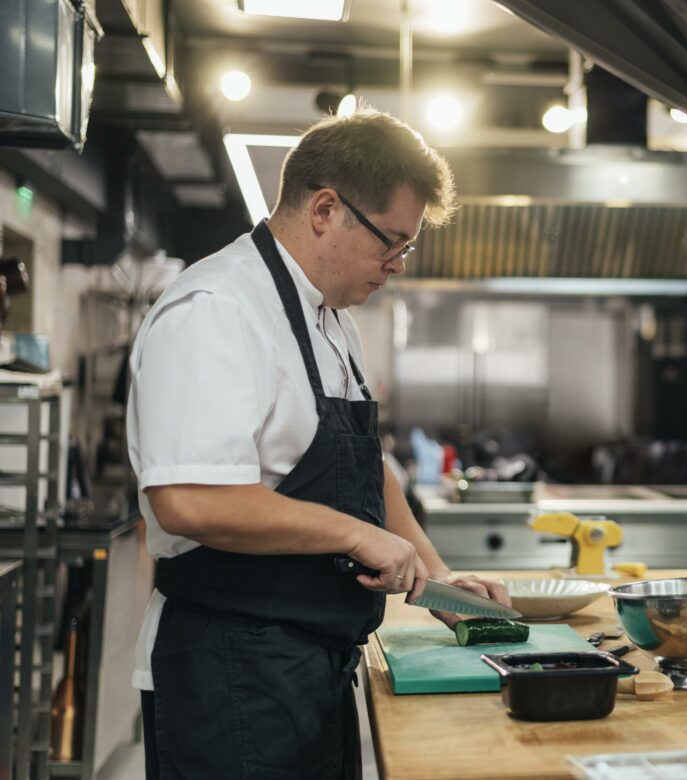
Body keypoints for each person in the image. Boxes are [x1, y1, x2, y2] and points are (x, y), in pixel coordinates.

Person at [126, 110, 510, 779]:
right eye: (390, 242)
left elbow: (363, 463)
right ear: (326, 209)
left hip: (310, 667)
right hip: (227, 674)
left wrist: (438, 576)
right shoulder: (219, 308)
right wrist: (357, 536)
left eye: (405, 249)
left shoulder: (331, 322)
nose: (395, 266)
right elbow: (186, 501)